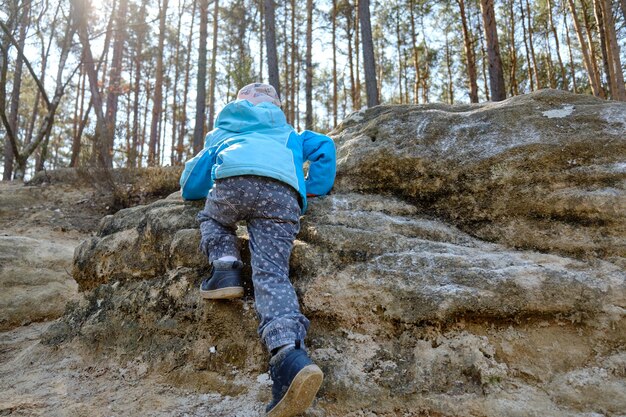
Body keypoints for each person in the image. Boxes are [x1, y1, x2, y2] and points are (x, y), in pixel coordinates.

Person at [182, 82, 336, 417]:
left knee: (214, 219)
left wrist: (192, 192)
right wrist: (311, 188)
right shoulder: (289, 132)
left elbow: (193, 179)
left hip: (233, 183)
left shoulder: (224, 129)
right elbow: (325, 146)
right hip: (282, 196)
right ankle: (289, 356)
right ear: (277, 106)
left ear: (239, 103)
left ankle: (225, 268)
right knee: (272, 272)